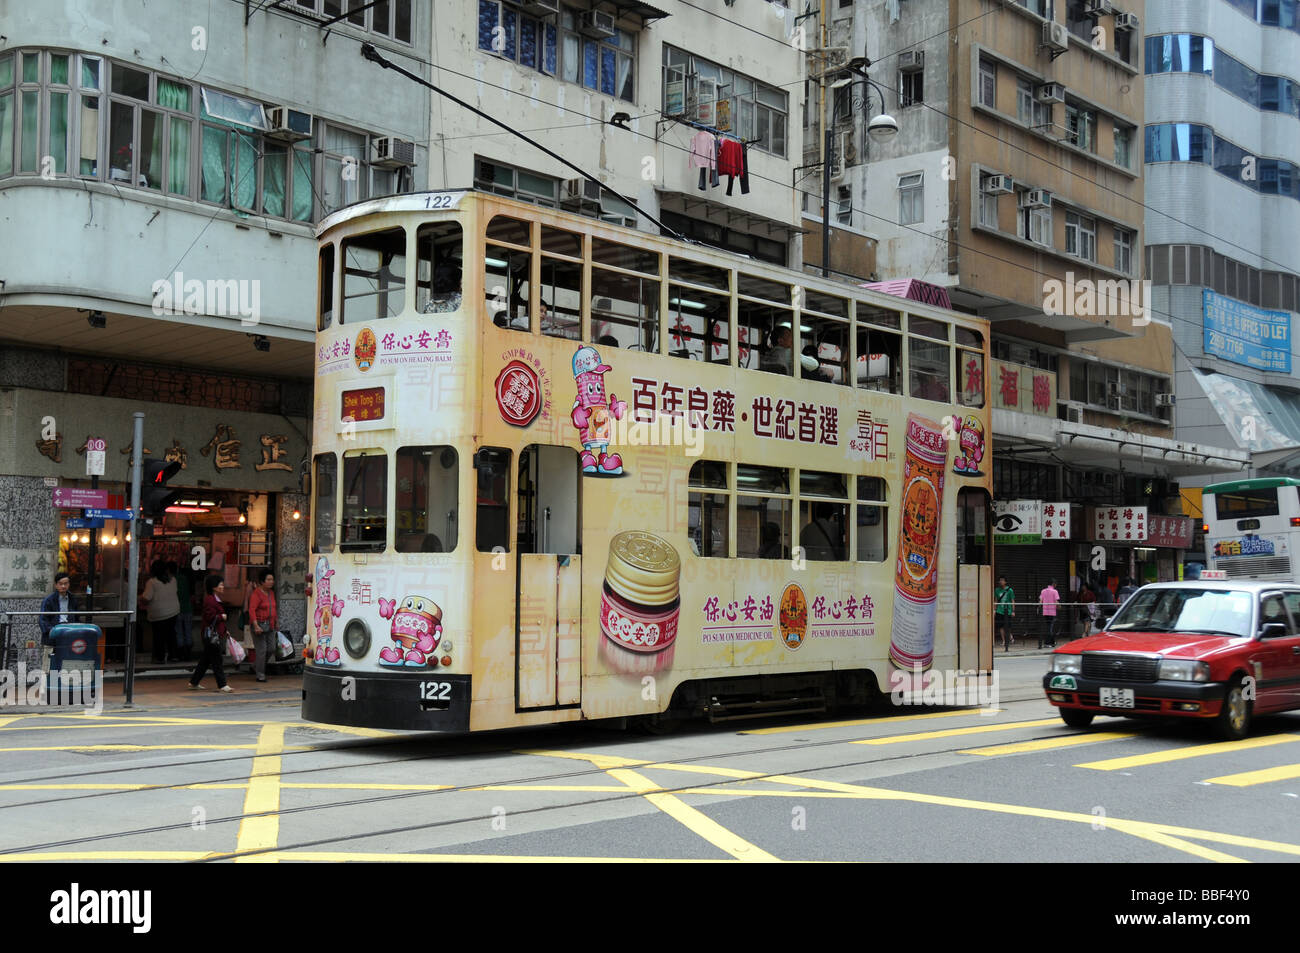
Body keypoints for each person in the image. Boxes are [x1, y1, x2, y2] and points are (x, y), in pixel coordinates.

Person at [189, 575, 233, 693]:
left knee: (205, 660)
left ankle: (194, 682)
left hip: (215, 634)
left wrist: (225, 630)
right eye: (221, 584)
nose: (223, 586)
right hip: (211, 636)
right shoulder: (210, 600)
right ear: (214, 587)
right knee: (217, 660)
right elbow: (209, 617)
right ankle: (222, 684)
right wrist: (221, 617)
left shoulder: (215, 598)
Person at [39, 572, 81, 670]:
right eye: (60, 583)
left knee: (67, 664)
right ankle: (45, 685)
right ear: (56, 585)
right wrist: (53, 631)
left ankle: (62, 684)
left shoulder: (73, 599)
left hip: (69, 635)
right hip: (52, 635)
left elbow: (77, 617)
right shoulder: (49, 600)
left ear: (69, 584)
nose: (63, 586)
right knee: (48, 665)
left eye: (65, 583)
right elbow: (43, 620)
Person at [141, 560, 179, 664]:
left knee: (159, 636)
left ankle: (160, 658)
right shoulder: (173, 580)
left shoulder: (152, 582)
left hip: (159, 613)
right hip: (173, 611)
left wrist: (140, 598)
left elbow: (147, 598)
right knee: (171, 634)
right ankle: (174, 655)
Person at [247, 567, 279, 683]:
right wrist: (255, 625)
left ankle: (256, 666)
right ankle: (260, 675)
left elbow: (274, 608)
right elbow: (252, 610)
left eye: (272, 579)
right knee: (261, 650)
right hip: (259, 625)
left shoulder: (271, 593)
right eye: (268, 579)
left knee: (271, 648)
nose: (271, 582)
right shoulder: (256, 594)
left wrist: (276, 622)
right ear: (262, 581)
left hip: (270, 625)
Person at [170, 561, 193, 662]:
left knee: (179, 632)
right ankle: (188, 654)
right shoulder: (184, 578)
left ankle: (180, 653)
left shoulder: (171, 580)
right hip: (187, 607)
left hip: (176, 609)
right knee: (188, 631)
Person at [1038, 578, 1061, 649]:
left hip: (1045, 611)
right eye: (1056, 584)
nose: (1056, 585)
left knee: (1048, 627)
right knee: (1050, 627)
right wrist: (1059, 607)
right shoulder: (1055, 591)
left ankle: (1052, 642)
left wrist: (1038, 608)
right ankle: (1047, 643)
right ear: (1053, 584)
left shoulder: (1043, 591)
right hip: (1052, 612)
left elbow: (1040, 601)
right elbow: (1057, 602)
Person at [994, 575, 1015, 650]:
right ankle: (1004, 641)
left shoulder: (1010, 590)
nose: (1001, 582)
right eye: (1000, 580)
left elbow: (1012, 601)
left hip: (1008, 611)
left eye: (1002, 580)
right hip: (999, 611)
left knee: (1008, 626)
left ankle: (1010, 637)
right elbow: (996, 600)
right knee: (1001, 626)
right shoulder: (996, 590)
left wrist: (1013, 611)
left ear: (1005, 582)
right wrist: (994, 610)